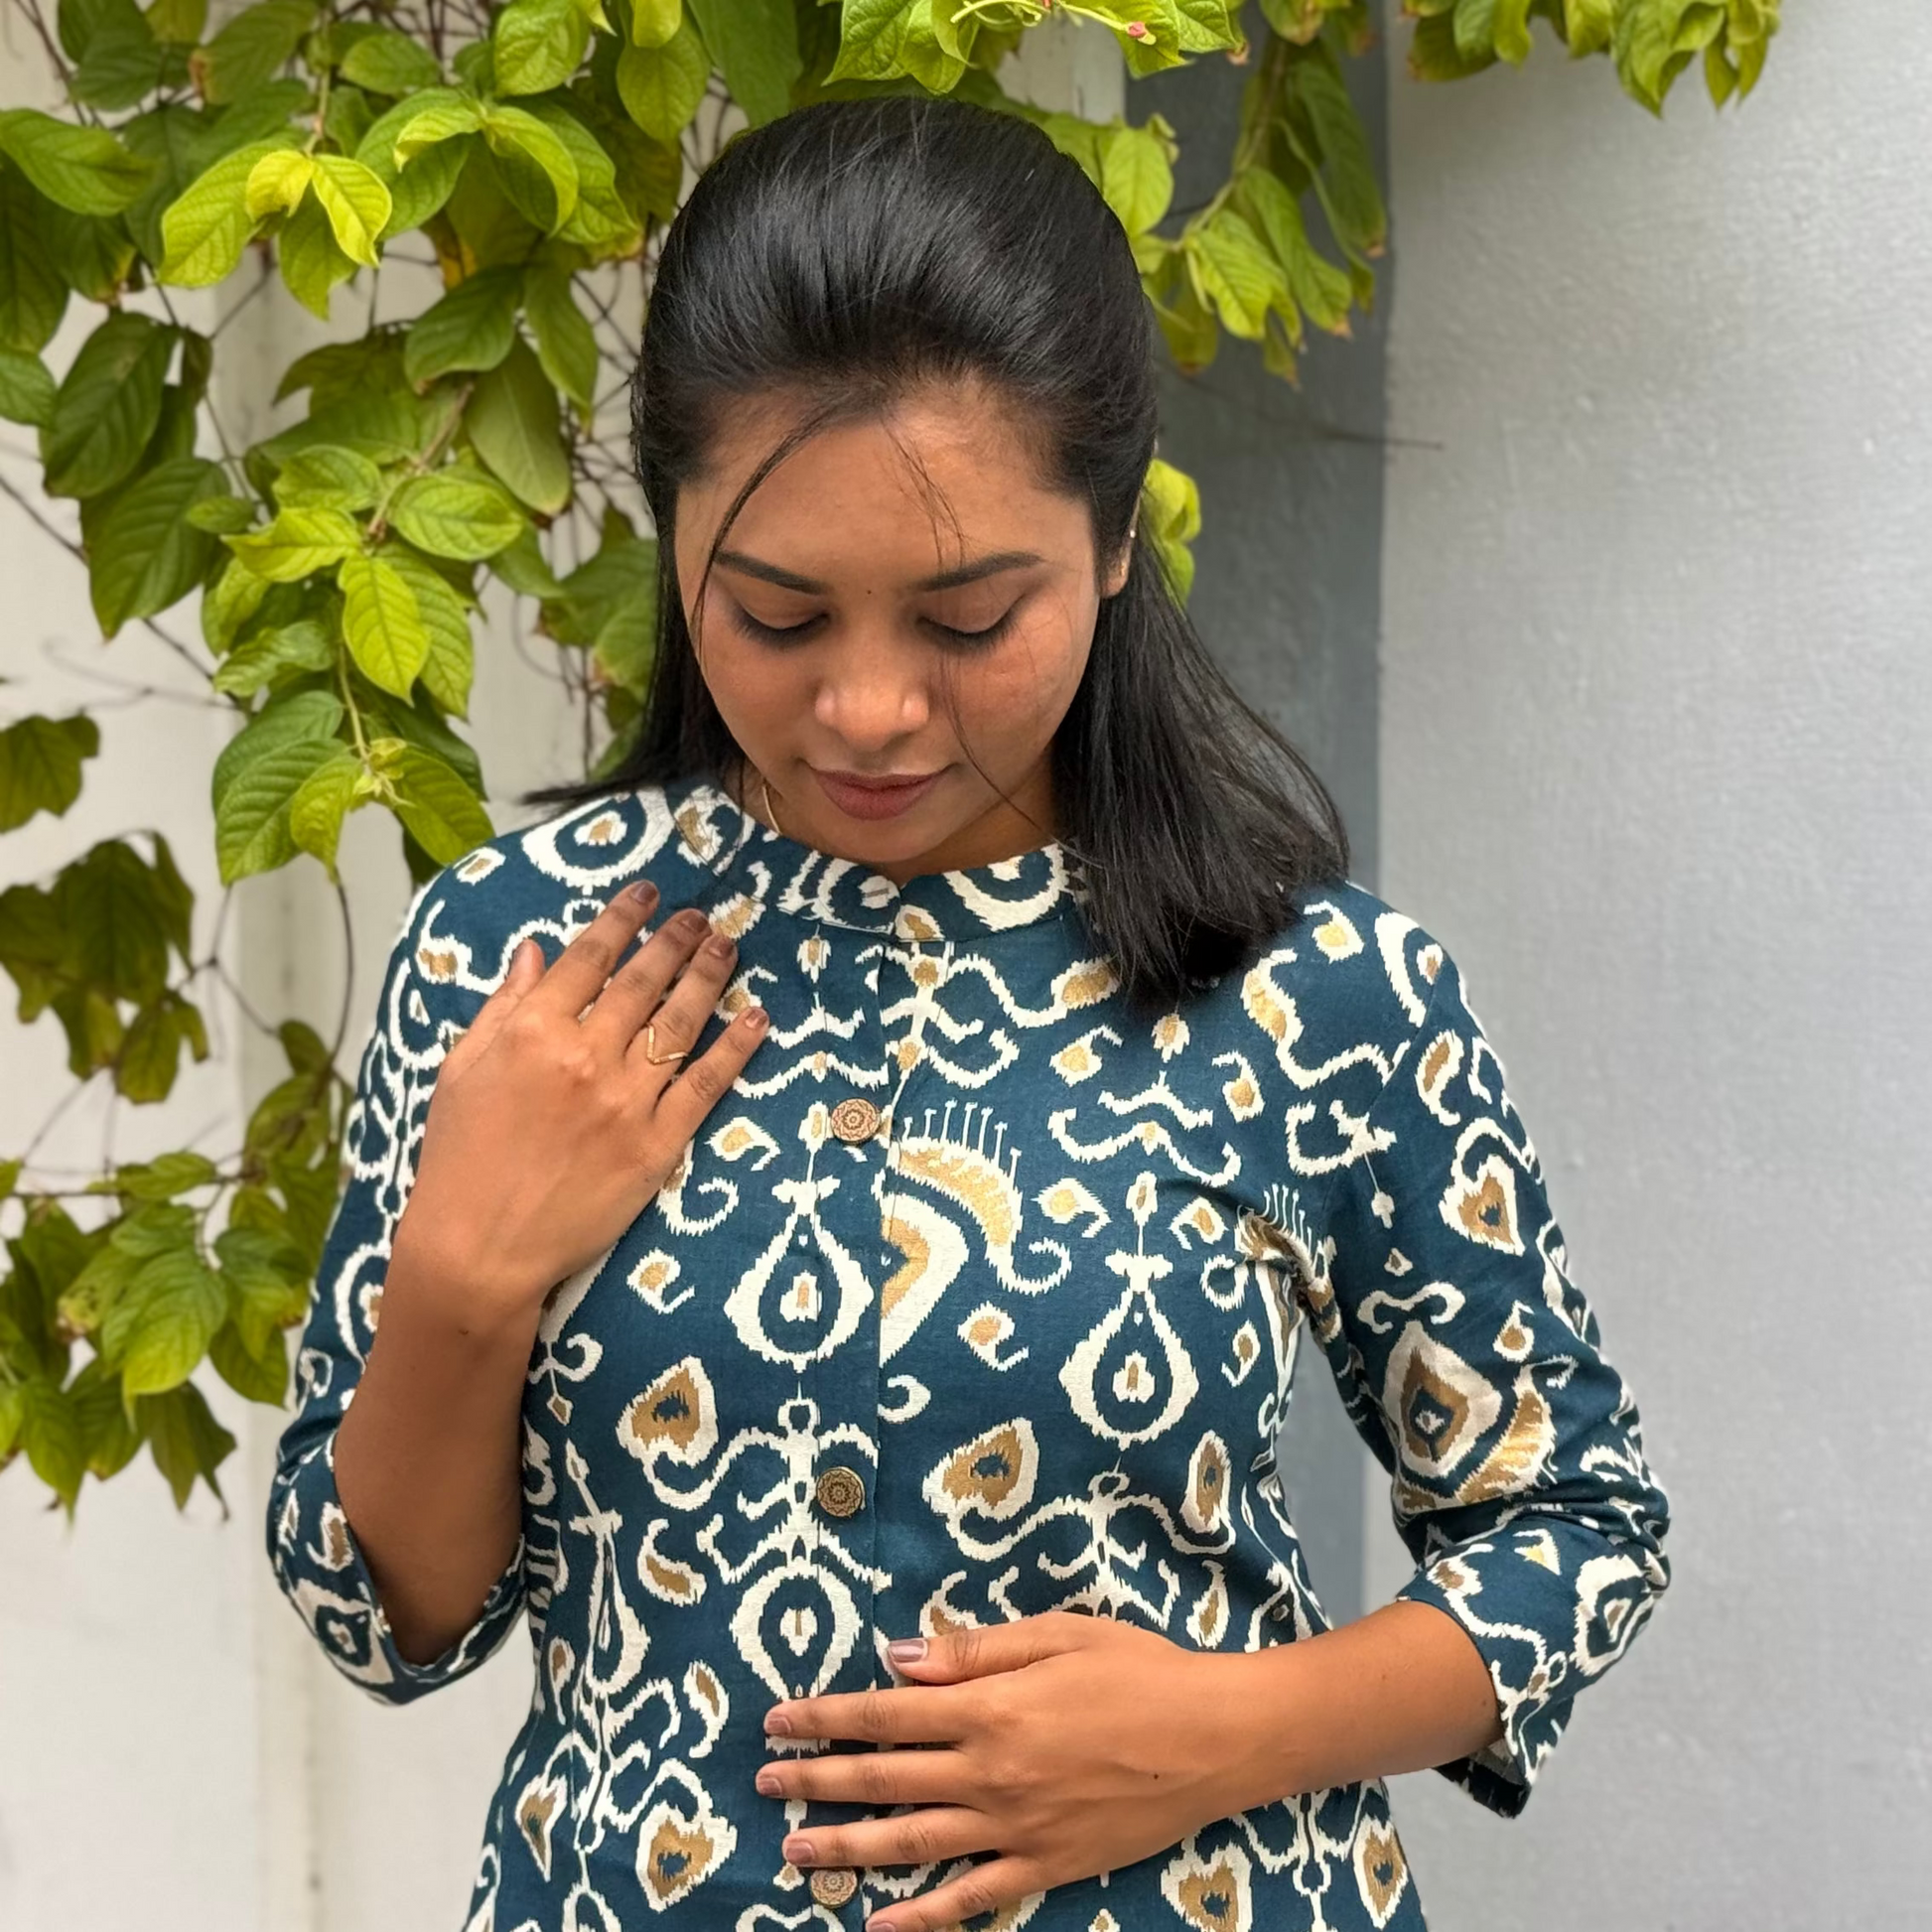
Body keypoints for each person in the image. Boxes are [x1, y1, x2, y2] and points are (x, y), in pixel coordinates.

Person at [267, 92, 1670, 1932]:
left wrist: (1217, 1729)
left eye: (966, 618)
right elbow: (389, 1616)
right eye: (778, 616)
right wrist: (463, 1276)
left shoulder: (1318, 989)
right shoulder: (519, 955)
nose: (868, 708)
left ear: (1109, 539)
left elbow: (1571, 1527)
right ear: (672, 539)